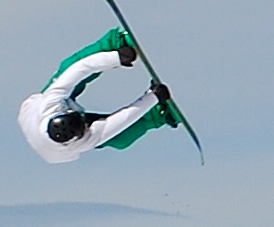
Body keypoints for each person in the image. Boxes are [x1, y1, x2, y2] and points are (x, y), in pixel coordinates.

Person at [18, 28, 182, 162]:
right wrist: (153, 98)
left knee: (68, 67)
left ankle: (113, 44)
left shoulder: (50, 103)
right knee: (120, 138)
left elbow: (80, 69)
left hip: (33, 112)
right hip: (54, 151)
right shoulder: (80, 143)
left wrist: (116, 58)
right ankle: (158, 114)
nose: (85, 119)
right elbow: (119, 121)